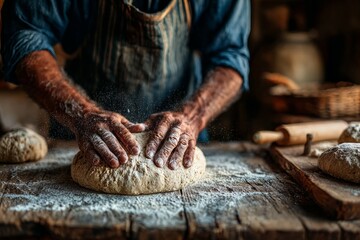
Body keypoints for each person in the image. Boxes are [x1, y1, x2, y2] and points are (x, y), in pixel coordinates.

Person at [1, 0, 250, 170]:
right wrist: (82, 114)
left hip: (179, 143)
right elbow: (25, 34)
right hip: (79, 141)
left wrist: (192, 116)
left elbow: (231, 54)